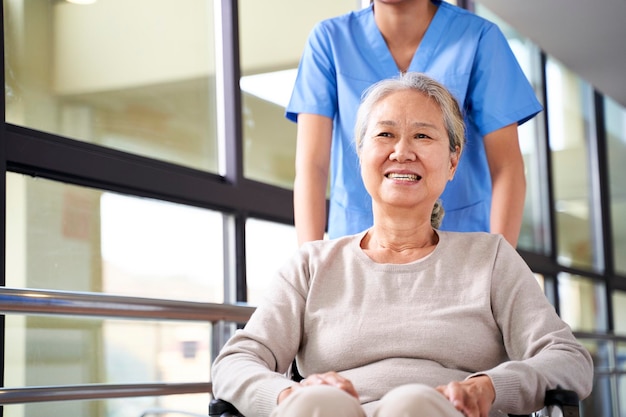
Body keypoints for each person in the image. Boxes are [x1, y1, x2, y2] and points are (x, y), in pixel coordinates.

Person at [211, 73, 593, 417]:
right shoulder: (312, 265)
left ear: (453, 161)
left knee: (413, 404)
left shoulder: (490, 258)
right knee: (317, 404)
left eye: (423, 136)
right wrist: (286, 395)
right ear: (361, 154)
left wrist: (490, 387)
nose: (402, 151)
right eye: (385, 134)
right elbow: (235, 362)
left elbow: (569, 360)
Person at [286, 0, 543, 247]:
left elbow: (507, 168)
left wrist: (498, 268)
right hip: (356, 242)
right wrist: (311, 268)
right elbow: (312, 167)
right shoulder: (330, 40)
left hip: (460, 240)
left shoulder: (479, 39)